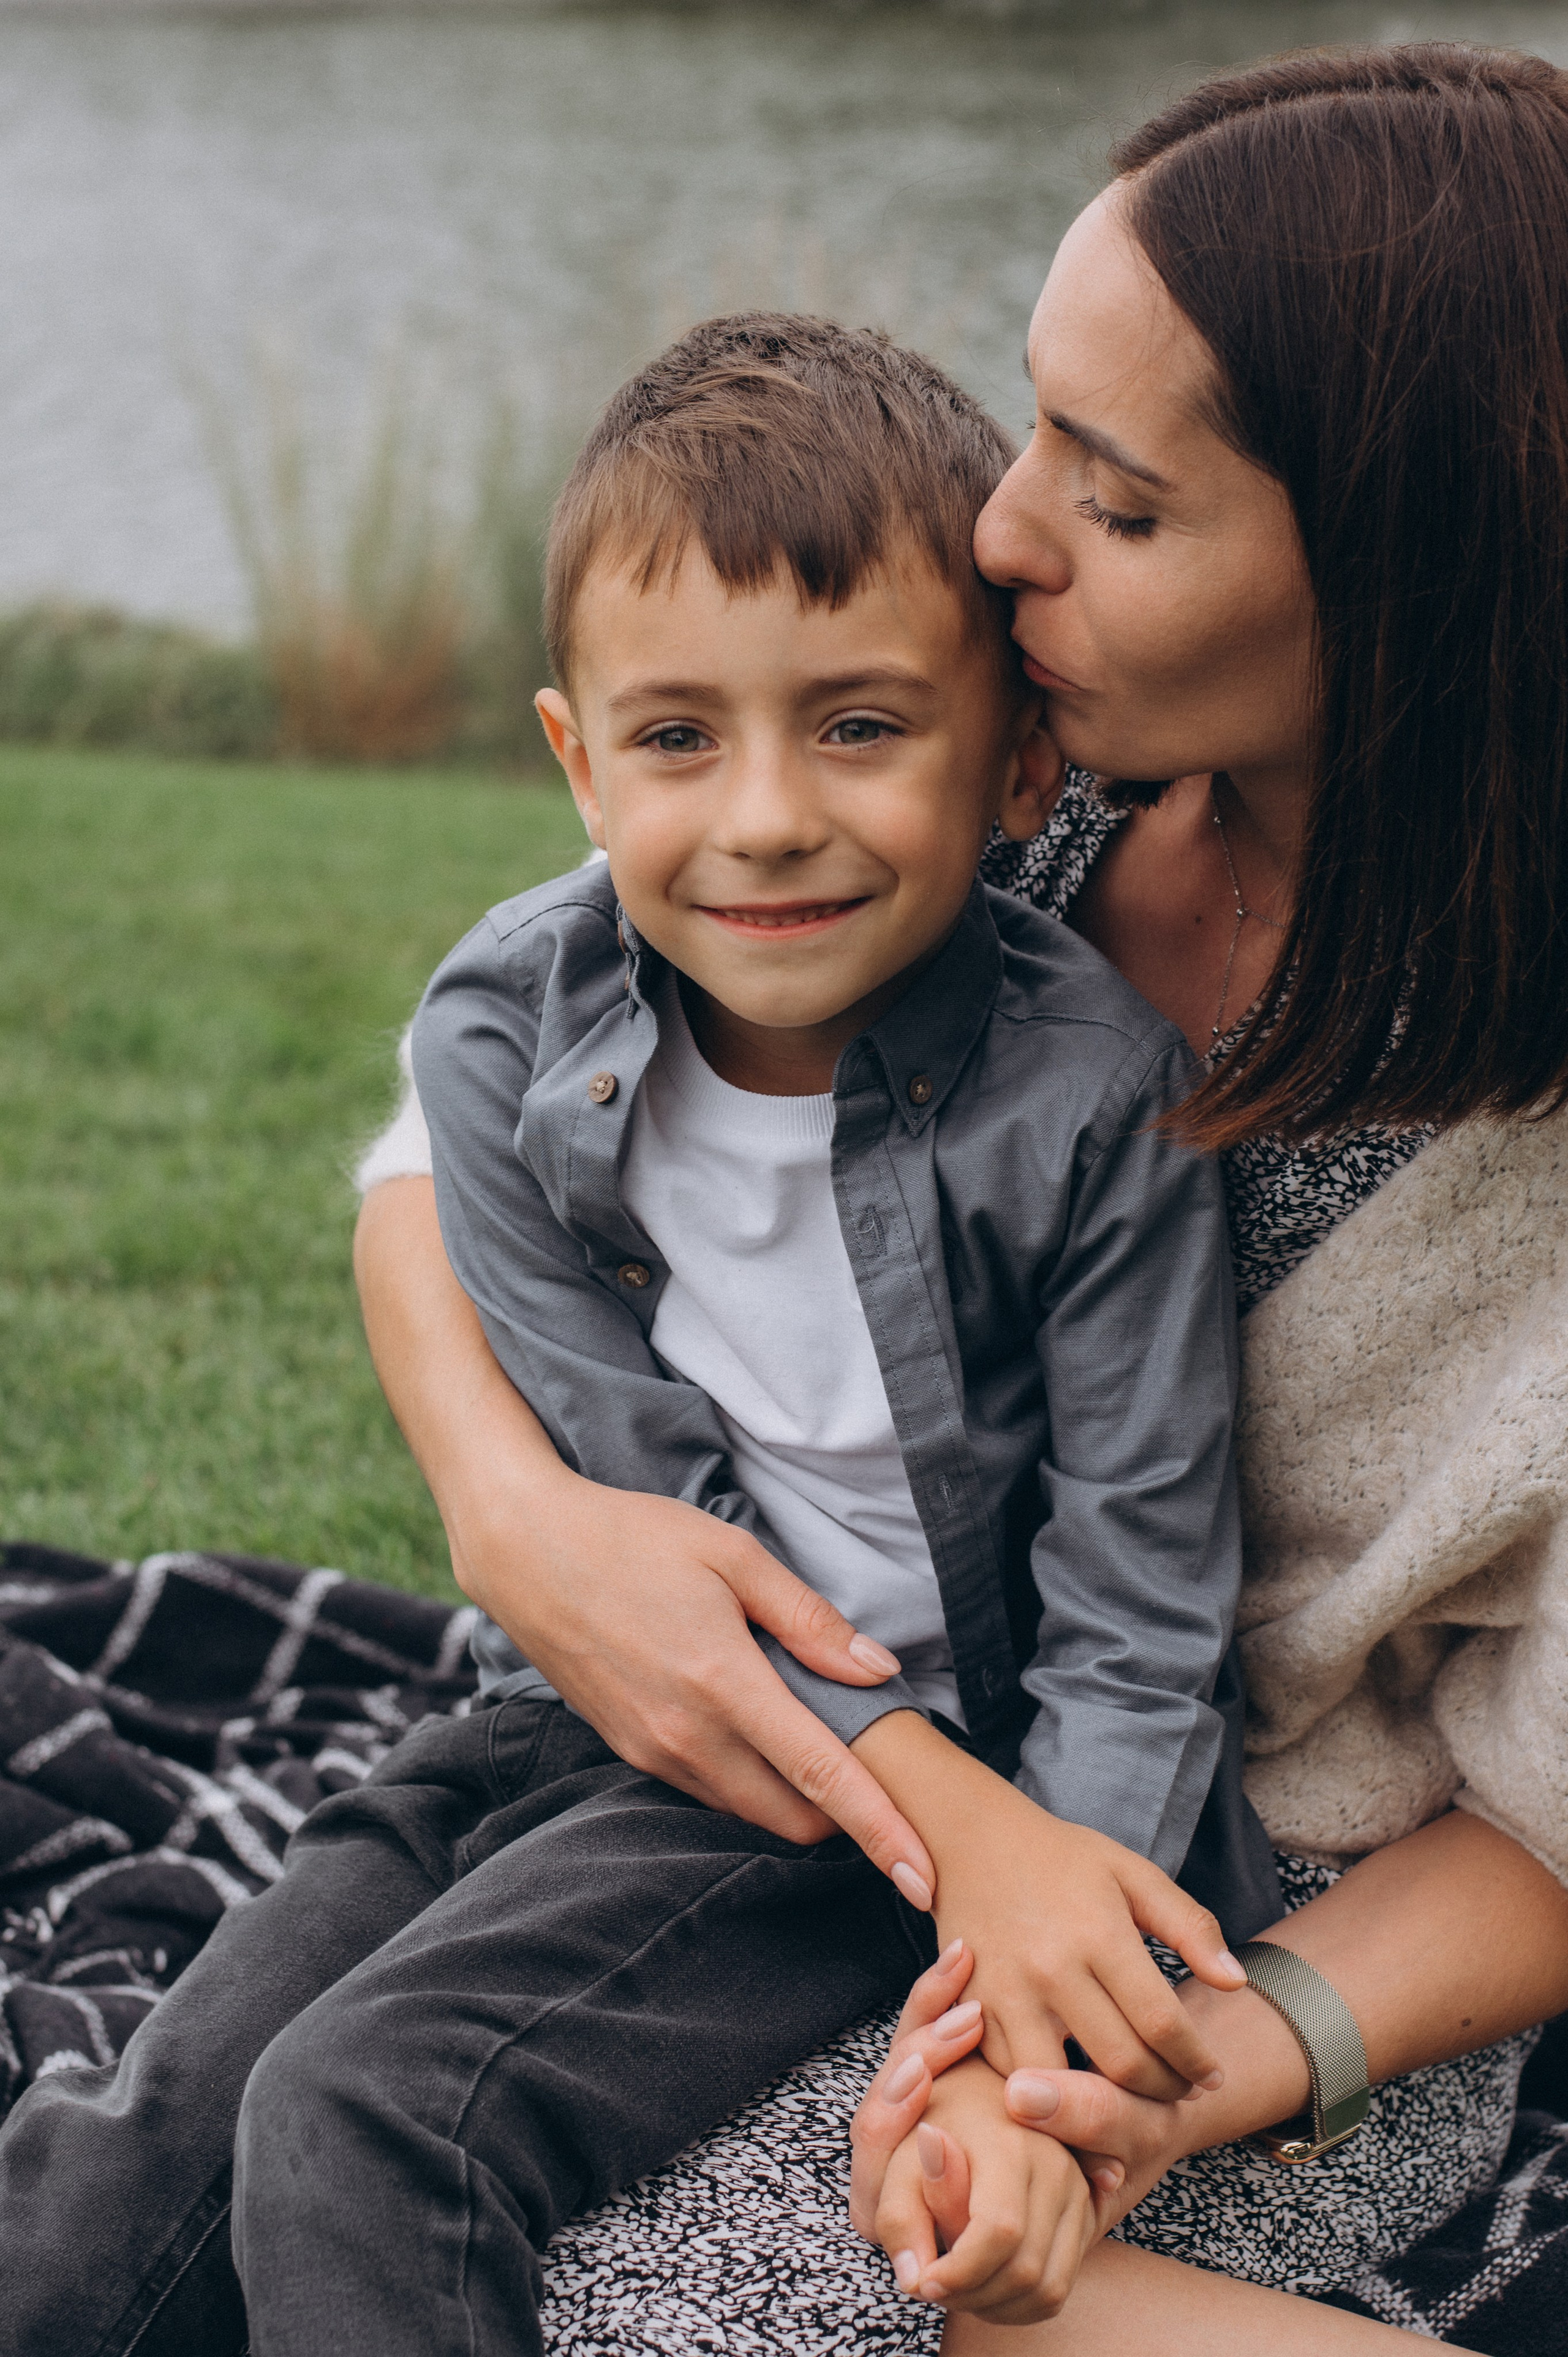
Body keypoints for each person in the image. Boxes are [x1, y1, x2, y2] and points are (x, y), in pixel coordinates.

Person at [350, 38, 1568, 2356]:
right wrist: (520, 1514)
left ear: (1412, 587)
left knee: (612, 2302)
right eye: (1038, 431)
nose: (997, 536)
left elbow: (1556, 1828)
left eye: (1112, 503)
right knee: (299, 2188)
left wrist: (1155, 2076)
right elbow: (472, 1112)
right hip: (858, 1782)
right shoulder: (1029, 774)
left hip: (1251, 1928)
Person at [0, 315, 1267, 2357]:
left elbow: (1142, 1604)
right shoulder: (506, 1033)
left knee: (373, 2121)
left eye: (860, 727)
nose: (764, 818)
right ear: (577, 756)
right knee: (129, 2155)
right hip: (582, 1697)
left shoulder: (1094, 1099)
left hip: (897, 1790)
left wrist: (1049, 1964)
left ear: (1022, 760)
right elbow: (624, 1502)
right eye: (678, 739)